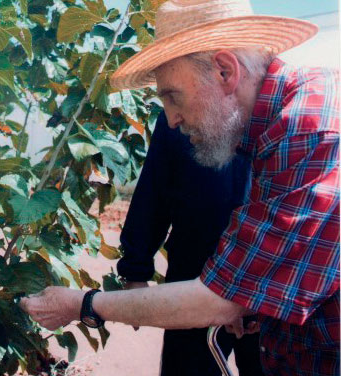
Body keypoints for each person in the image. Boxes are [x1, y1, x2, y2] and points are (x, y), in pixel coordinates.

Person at [19, 1, 340, 375]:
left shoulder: (310, 131)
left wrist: (83, 304)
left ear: (224, 71)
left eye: (173, 96)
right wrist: (251, 301)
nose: (170, 120)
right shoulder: (278, 124)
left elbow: (220, 299)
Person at [118, 110, 263, 376]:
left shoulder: (281, 113)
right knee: (186, 368)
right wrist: (134, 270)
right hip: (194, 273)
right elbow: (154, 190)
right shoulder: (182, 107)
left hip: (266, 286)